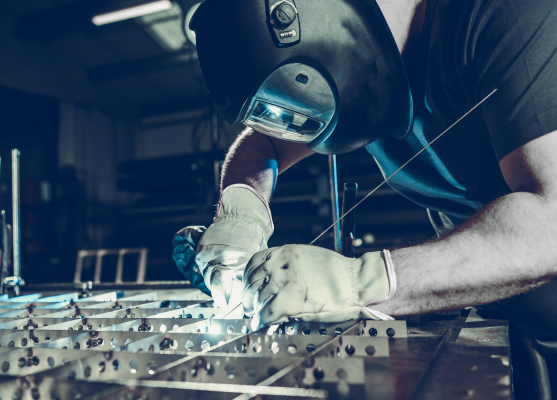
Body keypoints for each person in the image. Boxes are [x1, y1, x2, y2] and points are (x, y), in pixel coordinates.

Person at [173, 0, 557, 387]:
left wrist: (361, 283)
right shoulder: (365, 72)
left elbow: (551, 224)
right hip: (516, 328)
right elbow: (264, 144)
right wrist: (239, 214)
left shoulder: (502, 14)